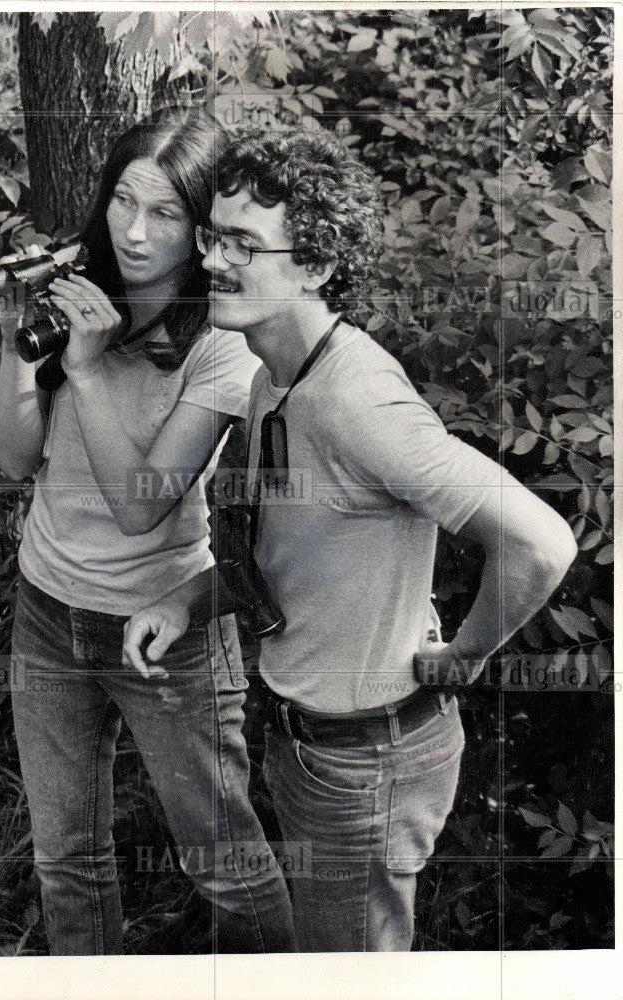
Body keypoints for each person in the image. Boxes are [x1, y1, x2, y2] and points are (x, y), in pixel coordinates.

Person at [122, 130, 578, 952]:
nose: (217, 261)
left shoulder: (361, 404)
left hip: (367, 764)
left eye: (247, 245)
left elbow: (541, 543)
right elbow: (289, 553)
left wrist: (464, 656)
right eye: (213, 236)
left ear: (319, 267)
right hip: (304, 742)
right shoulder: (272, 375)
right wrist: (186, 599)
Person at [0, 107, 295, 955]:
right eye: (124, 200)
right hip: (47, 607)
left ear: (203, 230)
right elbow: (17, 463)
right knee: (67, 860)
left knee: (222, 863)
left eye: (163, 213)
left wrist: (84, 372)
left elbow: (143, 504)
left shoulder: (223, 343)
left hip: (166, 625)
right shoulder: (77, 295)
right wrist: (24, 349)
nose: (133, 229)